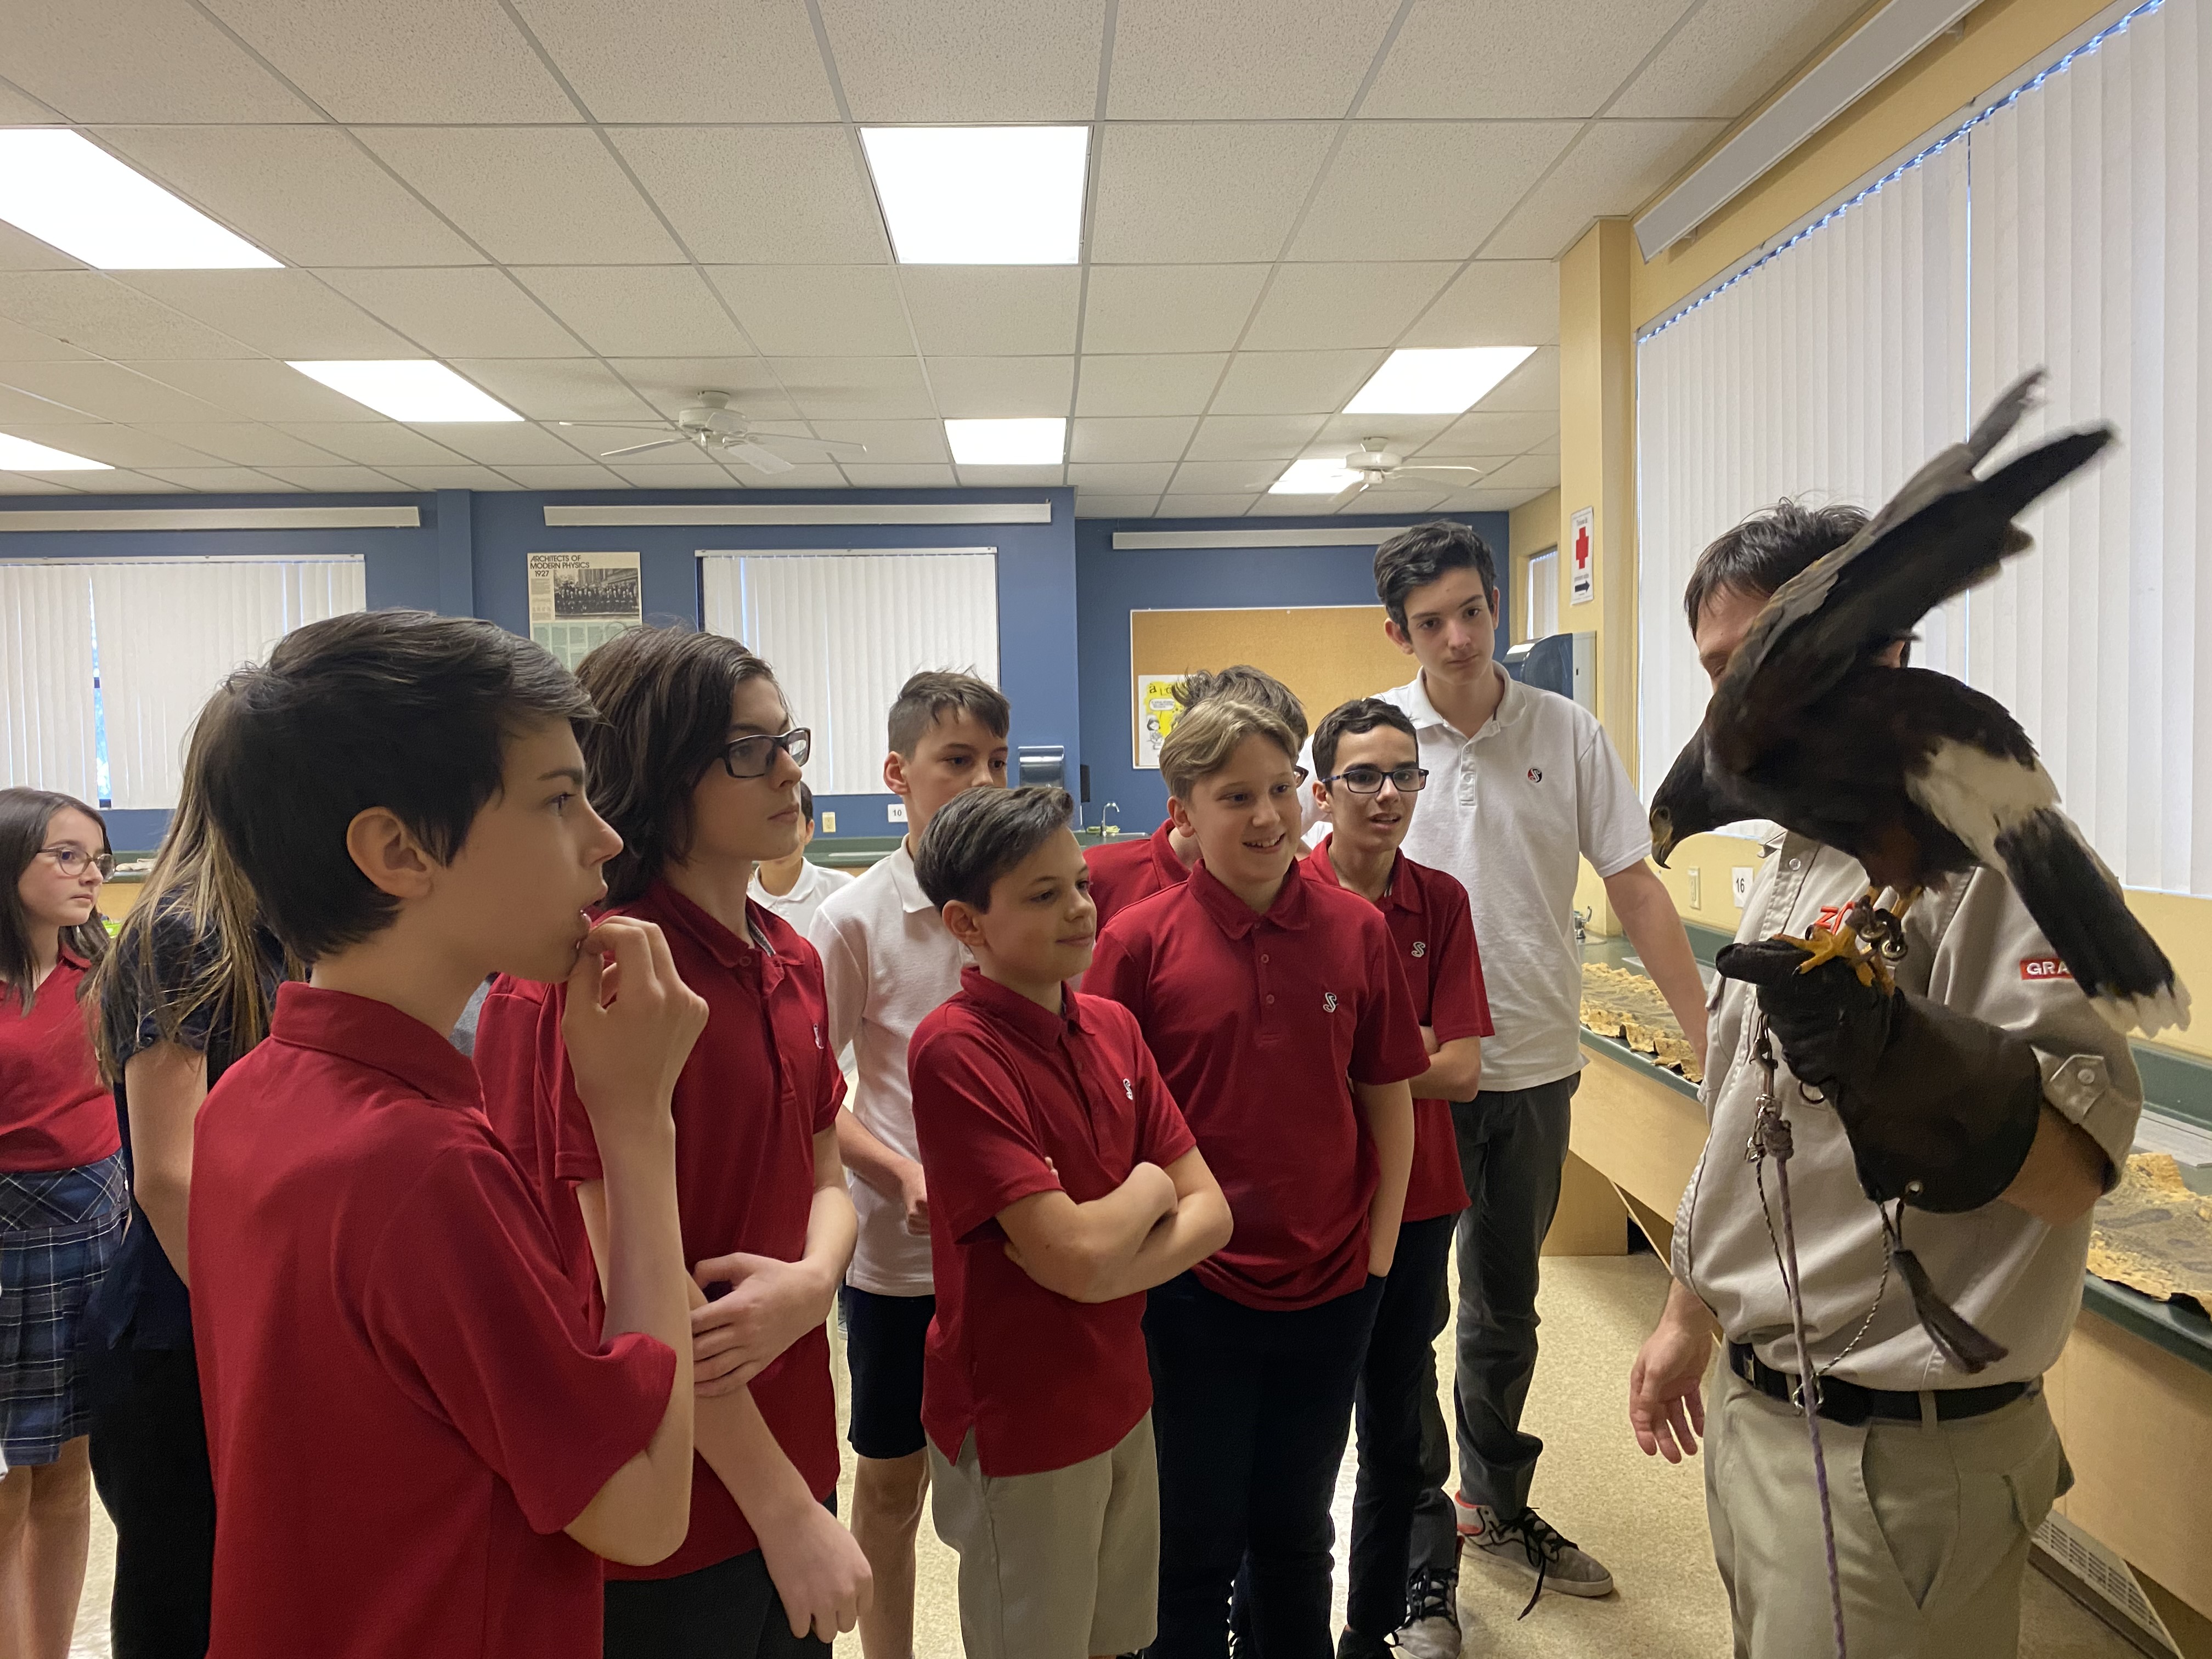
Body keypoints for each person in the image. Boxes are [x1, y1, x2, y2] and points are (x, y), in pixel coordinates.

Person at [1628, 501, 2140, 1659]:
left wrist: (1905, 1059)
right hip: (1764, 1409)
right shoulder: (1798, 849)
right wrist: (1688, 1313)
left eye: (1768, 660)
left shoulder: (1997, 854)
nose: (1738, 702)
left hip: (1895, 1449)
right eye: (1718, 672)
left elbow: (2075, 1176)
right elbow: (1747, 1122)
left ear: (1880, 648)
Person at [188, 610, 708, 1659]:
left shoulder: (247, 1096)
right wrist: (634, 1122)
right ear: (399, 850)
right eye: (558, 799)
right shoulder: (416, 1164)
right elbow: (645, 1510)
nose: (604, 837)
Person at [1304, 520, 1707, 1611]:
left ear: (1497, 606)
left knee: (1505, 1307)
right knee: (1403, 1316)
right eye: (1431, 621)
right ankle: (1418, 1528)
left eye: (1473, 611)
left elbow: (1633, 883)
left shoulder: (1564, 731)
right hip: (1408, 1082)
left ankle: (1493, 1501)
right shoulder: (1375, 742)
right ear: (1398, 631)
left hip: (1530, 1063)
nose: (1459, 637)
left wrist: (1706, 1033)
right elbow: (1293, 876)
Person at [479, 625, 872, 1654]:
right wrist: (781, 1508)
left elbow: (826, 1168)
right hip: (668, 1495)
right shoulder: (596, 980)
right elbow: (623, 1276)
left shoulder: (788, 956)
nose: (787, 771)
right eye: (748, 749)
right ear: (659, 770)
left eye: (788, 739)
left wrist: (814, 1284)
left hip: (791, 1432)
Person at [1087, 696, 1426, 1659]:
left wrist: (1377, 1260)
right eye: (1236, 795)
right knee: (1191, 1536)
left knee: (1295, 1530)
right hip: (1190, 1289)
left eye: (1281, 788)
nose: (1269, 815)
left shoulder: (1357, 931)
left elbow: (1387, 1100)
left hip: (1333, 1282)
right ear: (1183, 813)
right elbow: (1108, 1131)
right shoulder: (1137, 944)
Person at [907, 784, 1233, 1659]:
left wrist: (1105, 1246)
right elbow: (1083, 1252)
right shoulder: (957, 1049)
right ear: (967, 924)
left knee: (1115, 1641)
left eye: (1081, 884)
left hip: (1121, 1394)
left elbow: (1211, 1215)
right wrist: (1151, 1189)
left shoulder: (1114, 1028)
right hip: (1022, 1420)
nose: (1081, 909)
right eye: (1044, 895)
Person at [808, 669, 1009, 1659]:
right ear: (898, 774)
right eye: (957, 760)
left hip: (1018, 1246)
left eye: (997, 761)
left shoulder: (1021, 901)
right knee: (891, 1486)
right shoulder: (853, 918)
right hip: (901, 1261)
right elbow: (811, 1097)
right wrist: (899, 1174)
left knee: (1009, 1489)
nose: (983, 782)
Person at [81, 731, 289, 1659]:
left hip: (231, 1306)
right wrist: (261, 1331)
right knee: (182, 1608)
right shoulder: (186, 927)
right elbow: (170, 1173)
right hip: (183, 1327)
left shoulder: (275, 923)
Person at [1305, 699, 1492, 1659]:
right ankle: (1279, 1616)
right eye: (1363, 776)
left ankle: (1376, 1619)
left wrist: (1345, 1055)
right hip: (1306, 1202)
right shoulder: (1286, 894)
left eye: (1404, 774)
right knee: (1301, 1426)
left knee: (1396, 1419)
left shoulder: (1440, 902)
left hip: (1417, 1200)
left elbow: (1461, 1069)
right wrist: (1399, 1047)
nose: (1387, 794)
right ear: (1321, 791)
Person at [0, 788, 123, 1659]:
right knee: (9, 1485)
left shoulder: (103, 969)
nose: (91, 876)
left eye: (99, 860)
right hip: (7, 1247)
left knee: (71, 1472)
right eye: (69, 857)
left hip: (94, 1234)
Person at [1086, 665, 1310, 929]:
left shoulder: (1304, 881)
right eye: (1240, 795)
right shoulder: (1098, 878)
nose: (1268, 816)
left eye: (1283, 779)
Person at [750, 785, 855, 939]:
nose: (778, 837)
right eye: (767, 823)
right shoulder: (739, 907)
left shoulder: (843, 891)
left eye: (788, 822)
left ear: (808, 830)